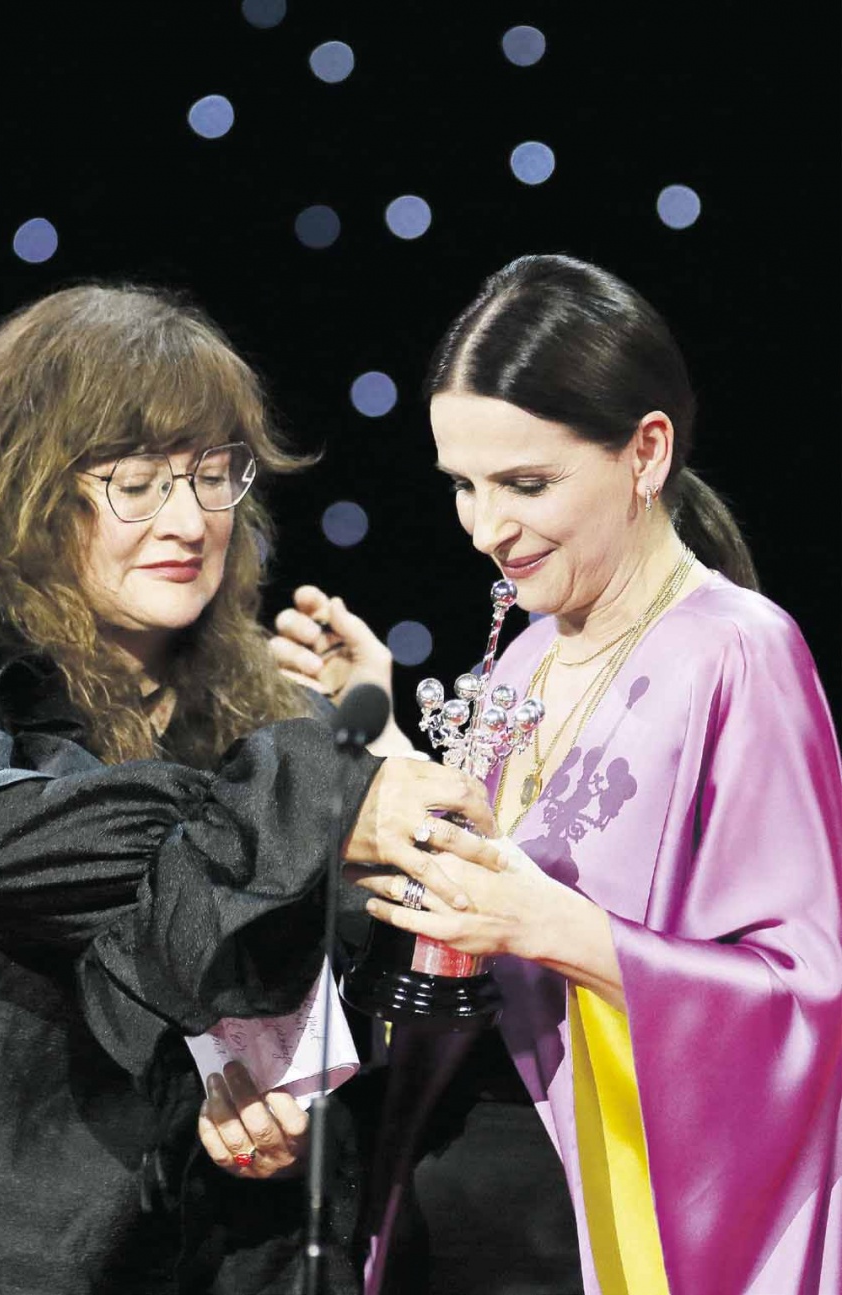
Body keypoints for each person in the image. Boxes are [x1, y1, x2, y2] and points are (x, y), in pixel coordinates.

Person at [0, 283, 498, 1295]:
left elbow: (367, 992)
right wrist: (311, 807)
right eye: (137, 483)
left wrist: (282, 1097)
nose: (189, 521)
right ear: (22, 485)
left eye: (215, 476)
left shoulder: (270, 712)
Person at [272, 255, 842, 1294]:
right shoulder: (530, 649)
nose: (486, 528)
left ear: (645, 451)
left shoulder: (740, 650)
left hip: (592, 1215)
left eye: (526, 484)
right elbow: (485, 883)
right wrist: (379, 732)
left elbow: (805, 997)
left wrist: (556, 929)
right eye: (463, 485)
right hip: (453, 1180)